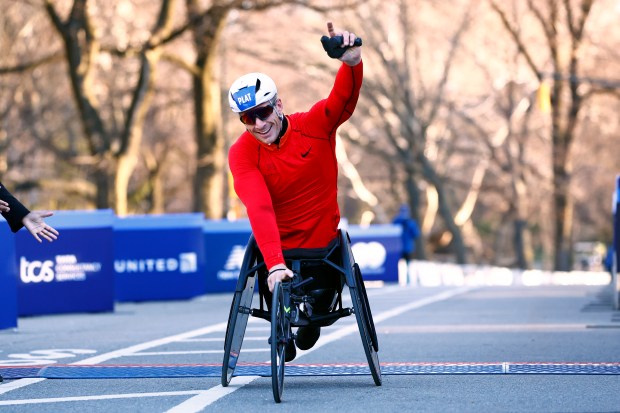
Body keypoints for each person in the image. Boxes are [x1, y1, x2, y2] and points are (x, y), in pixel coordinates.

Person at [228, 22, 362, 361]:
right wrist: (273, 264)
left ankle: (310, 317)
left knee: (318, 301)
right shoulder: (242, 153)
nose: (258, 124)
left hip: (324, 249)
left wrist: (351, 63)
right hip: (279, 251)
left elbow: (341, 102)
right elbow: (259, 208)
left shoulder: (314, 126)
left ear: (279, 105)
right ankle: (283, 320)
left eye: (263, 112)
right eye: (247, 118)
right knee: (270, 271)